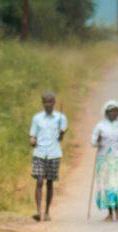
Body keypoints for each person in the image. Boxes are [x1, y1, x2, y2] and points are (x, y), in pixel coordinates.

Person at [91, 100, 118, 222]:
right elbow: (93, 142)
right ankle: (110, 212)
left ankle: (116, 209)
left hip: (117, 160)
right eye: (110, 111)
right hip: (103, 160)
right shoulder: (100, 126)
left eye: (115, 111)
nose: (113, 113)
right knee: (106, 186)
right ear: (106, 113)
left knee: (115, 185)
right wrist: (97, 140)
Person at [29, 92, 67, 221]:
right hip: (39, 153)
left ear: (54, 102)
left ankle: (47, 212)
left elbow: (61, 136)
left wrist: (62, 133)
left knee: (49, 183)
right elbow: (32, 135)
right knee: (39, 181)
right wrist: (32, 140)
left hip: (54, 153)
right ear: (42, 103)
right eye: (45, 102)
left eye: (50, 102)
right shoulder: (37, 118)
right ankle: (38, 211)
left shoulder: (60, 118)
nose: (48, 104)